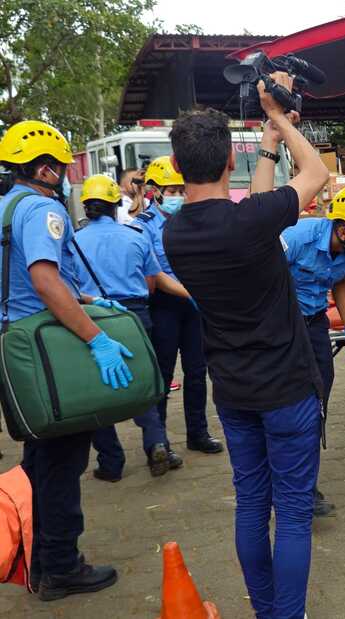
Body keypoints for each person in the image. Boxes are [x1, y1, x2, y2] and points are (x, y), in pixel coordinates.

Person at [163, 72, 329, 619]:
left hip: (232, 390)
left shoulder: (175, 233)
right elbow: (318, 173)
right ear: (226, 164)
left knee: (254, 504)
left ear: (179, 165)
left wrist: (268, 143)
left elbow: (260, 208)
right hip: (286, 386)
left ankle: (265, 611)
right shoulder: (248, 223)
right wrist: (278, 113)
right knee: (296, 513)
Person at [0, 120, 130, 600]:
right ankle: (59, 566)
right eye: (61, 167)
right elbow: (45, 279)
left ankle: (29, 551)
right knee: (63, 458)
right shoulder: (40, 209)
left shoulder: (5, 208)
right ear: (46, 169)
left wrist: (91, 301)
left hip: (16, 347)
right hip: (48, 350)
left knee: (38, 455)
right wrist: (96, 336)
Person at [74, 174, 193, 481]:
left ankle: (111, 462)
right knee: (143, 383)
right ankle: (156, 443)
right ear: (116, 205)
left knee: (97, 390)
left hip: (91, 318)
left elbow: (68, 286)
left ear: (86, 207)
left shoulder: (73, 242)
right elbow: (152, 283)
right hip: (135, 316)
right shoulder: (136, 235)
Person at [281, 184, 345, 517]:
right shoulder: (297, 238)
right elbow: (260, 275)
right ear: (342, 230)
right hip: (282, 328)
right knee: (291, 405)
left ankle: (304, 484)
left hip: (314, 325)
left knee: (318, 401)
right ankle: (293, 487)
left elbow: (341, 282)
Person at [132, 156, 223, 457]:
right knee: (163, 373)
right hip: (165, 305)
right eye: (170, 190)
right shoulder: (142, 226)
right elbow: (153, 273)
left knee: (197, 372)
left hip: (194, 306)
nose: (177, 196)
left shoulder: (190, 219)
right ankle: (158, 443)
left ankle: (198, 433)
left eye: (179, 189)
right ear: (154, 191)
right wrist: (188, 291)